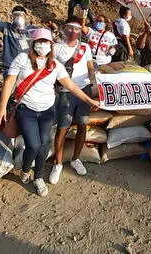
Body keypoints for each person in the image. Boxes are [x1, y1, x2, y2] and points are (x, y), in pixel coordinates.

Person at [0, 28, 99, 197]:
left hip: (47, 111)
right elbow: (9, 82)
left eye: (46, 42)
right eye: (39, 42)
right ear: (33, 44)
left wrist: (90, 100)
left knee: (44, 144)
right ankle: (26, 168)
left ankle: (38, 178)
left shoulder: (55, 65)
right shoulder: (22, 59)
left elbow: (71, 86)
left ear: (51, 45)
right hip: (26, 110)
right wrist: (2, 106)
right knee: (34, 144)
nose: (42, 45)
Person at [49, 20, 96, 184]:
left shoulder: (85, 47)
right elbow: (50, 68)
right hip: (65, 92)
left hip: (84, 90)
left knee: (83, 125)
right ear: (64, 29)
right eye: (70, 28)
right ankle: (58, 163)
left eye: (77, 28)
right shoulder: (57, 48)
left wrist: (93, 75)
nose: (74, 31)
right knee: (62, 128)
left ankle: (76, 158)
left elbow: (90, 65)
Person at [0, 5, 36, 79]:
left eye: (21, 15)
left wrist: (52, 29)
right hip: (10, 66)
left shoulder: (32, 30)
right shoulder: (7, 28)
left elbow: (45, 35)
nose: (18, 17)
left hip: (27, 67)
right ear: (12, 17)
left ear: (26, 17)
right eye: (16, 15)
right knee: (10, 88)